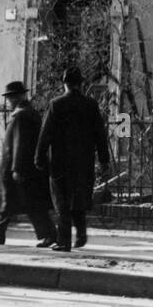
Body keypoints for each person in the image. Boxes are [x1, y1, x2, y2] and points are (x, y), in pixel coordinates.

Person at [35, 67, 111, 252]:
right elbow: (100, 134)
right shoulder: (91, 105)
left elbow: (45, 134)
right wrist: (104, 159)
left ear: (64, 83)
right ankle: (81, 233)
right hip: (83, 162)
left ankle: (64, 240)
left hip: (60, 162)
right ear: (81, 83)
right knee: (78, 198)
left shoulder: (56, 104)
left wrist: (39, 156)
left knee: (61, 202)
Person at [0, 81, 57, 248]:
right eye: (10, 97)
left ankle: (50, 234)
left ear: (19, 96)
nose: (10, 100)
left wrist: (17, 168)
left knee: (31, 205)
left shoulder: (22, 115)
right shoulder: (26, 113)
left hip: (19, 169)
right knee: (8, 203)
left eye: (12, 97)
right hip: (23, 168)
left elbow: (20, 144)